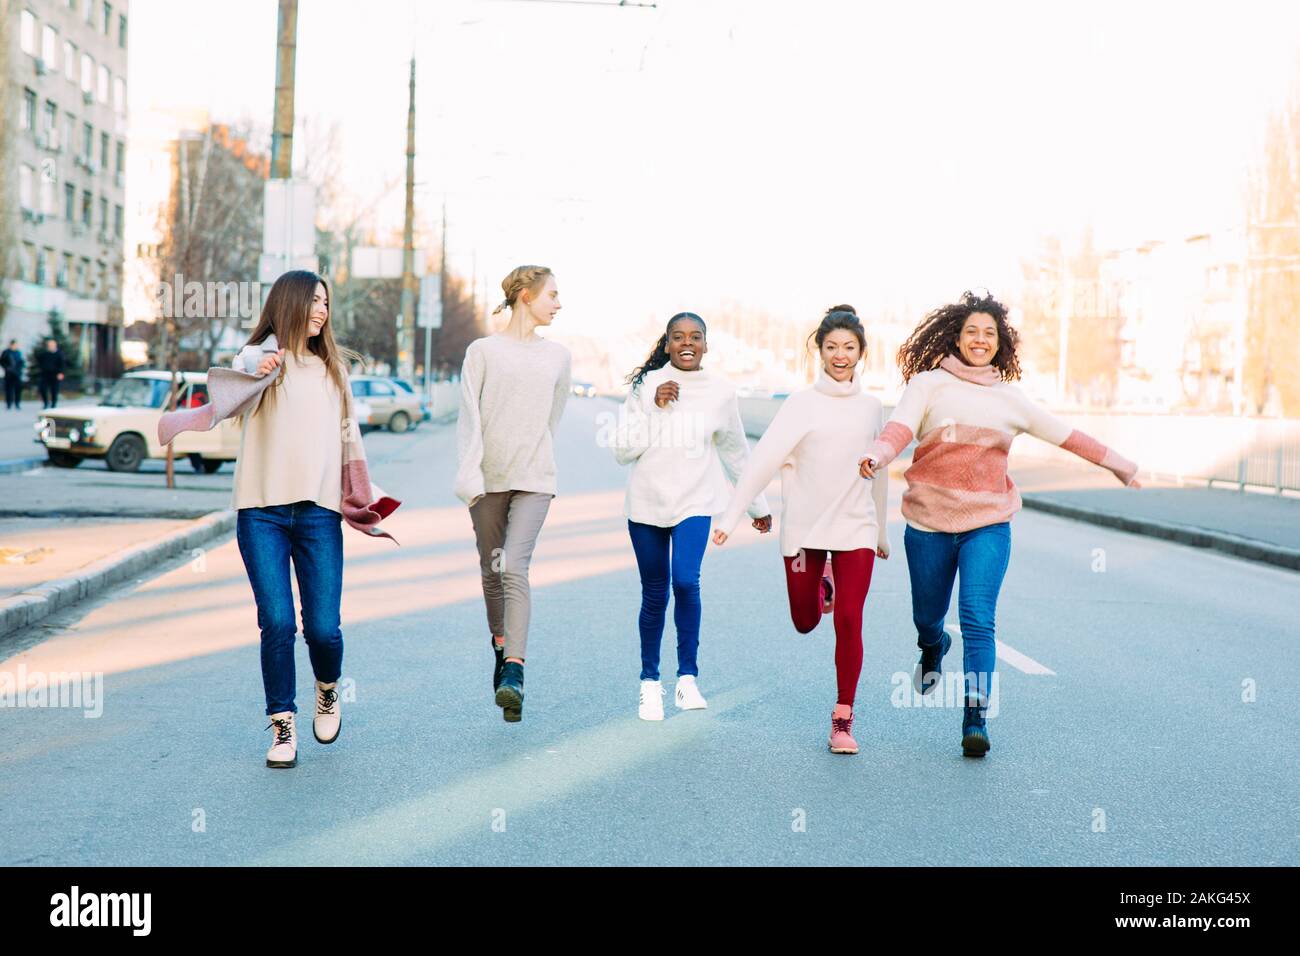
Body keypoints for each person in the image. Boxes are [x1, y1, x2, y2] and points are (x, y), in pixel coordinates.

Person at [859, 290, 1141, 758]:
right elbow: (900, 430)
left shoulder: (1012, 400)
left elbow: (1067, 436)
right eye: (972, 331)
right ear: (956, 336)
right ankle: (932, 646)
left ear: (1000, 343)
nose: (980, 339)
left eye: (989, 333)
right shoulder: (928, 386)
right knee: (927, 616)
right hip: (928, 523)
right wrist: (878, 454)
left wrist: (1119, 464)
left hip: (988, 523)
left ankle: (975, 717)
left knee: (977, 616)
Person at [158, 270, 400, 769]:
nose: (321, 310)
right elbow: (237, 375)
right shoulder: (261, 363)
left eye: (326, 303)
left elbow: (350, 440)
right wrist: (261, 363)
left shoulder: (334, 371)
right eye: (313, 300)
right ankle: (283, 725)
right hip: (261, 512)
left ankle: (327, 689)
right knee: (276, 623)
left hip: (318, 514)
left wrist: (361, 495)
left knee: (325, 630)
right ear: (289, 303)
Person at [714, 305, 890, 755]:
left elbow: (880, 470)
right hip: (806, 532)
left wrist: (882, 530)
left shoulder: (872, 408)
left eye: (849, 347)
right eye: (832, 347)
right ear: (820, 351)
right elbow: (761, 462)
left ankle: (843, 718)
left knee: (850, 620)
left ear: (862, 353)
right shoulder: (800, 405)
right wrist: (731, 516)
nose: (840, 355)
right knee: (805, 621)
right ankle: (821, 585)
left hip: (856, 530)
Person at [611, 312, 771, 721]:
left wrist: (758, 506)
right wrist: (655, 407)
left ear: (705, 345)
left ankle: (687, 679)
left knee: (685, 580)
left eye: (695, 337)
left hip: (696, 503)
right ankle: (650, 684)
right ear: (666, 345)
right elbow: (621, 449)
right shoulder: (646, 386)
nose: (687, 343)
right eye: (678, 337)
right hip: (646, 505)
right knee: (655, 593)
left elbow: (737, 452)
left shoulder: (720, 392)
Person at [456, 265, 571, 723]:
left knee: (515, 566)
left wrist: (536, 455)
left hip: (535, 479)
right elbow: (469, 418)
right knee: (492, 568)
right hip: (487, 480)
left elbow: (554, 417)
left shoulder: (559, 356)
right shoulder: (482, 351)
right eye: (553, 295)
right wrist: (469, 478)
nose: (559, 304)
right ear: (526, 296)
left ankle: (515, 673)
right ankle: (501, 647)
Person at [36, 339, 65, 409]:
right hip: (45, 375)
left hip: (55, 375)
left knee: (54, 390)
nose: (50, 347)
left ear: (55, 346)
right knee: (42, 389)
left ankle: (53, 404)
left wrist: (61, 373)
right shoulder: (44, 354)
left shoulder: (59, 354)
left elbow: (62, 365)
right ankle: (46, 403)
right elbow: (40, 362)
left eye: (52, 345)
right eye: (49, 345)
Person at [1, 340, 24, 410]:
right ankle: (9, 404)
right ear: (10, 345)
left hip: (17, 374)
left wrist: (20, 369)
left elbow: (21, 362)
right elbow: (2, 361)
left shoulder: (18, 352)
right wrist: (7, 368)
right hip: (9, 374)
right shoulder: (6, 352)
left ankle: (17, 403)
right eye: (13, 345)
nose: (14, 346)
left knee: (18, 390)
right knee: (9, 390)